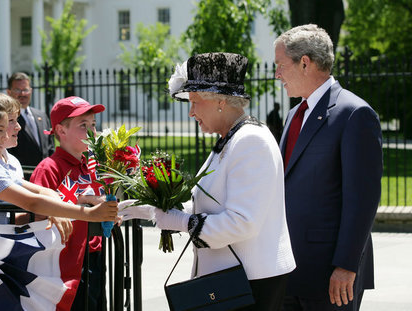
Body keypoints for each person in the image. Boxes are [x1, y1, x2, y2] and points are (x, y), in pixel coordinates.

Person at [121, 52, 296, 311]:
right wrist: (147, 209)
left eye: (195, 101)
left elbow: (241, 223)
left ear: (220, 102)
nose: (191, 112)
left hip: (249, 284)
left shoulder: (250, 141)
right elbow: (210, 205)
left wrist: (180, 222)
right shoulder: (231, 138)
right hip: (231, 281)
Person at [274, 24, 382, 310]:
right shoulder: (294, 114)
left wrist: (346, 266)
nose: (277, 74)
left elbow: (363, 201)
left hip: (331, 276)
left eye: (281, 65)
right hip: (290, 270)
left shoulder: (355, 114)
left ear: (305, 63)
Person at [0, 95, 117, 242]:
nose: (5, 136)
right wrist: (89, 214)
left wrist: (52, 207)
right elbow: (32, 202)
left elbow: (41, 193)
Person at [30, 96, 107, 310]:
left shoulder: (92, 165)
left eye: (93, 124)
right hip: (65, 262)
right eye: (83, 125)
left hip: (93, 255)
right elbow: (37, 215)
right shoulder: (49, 167)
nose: (92, 131)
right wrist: (80, 201)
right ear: (61, 131)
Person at [6, 72, 54, 168]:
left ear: (31, 91)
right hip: (21, 176)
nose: (22, 94)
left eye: (25, 90)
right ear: (9, 92)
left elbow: (50, 147)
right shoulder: (6, 118)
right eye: (17, 90)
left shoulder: (42, 116)